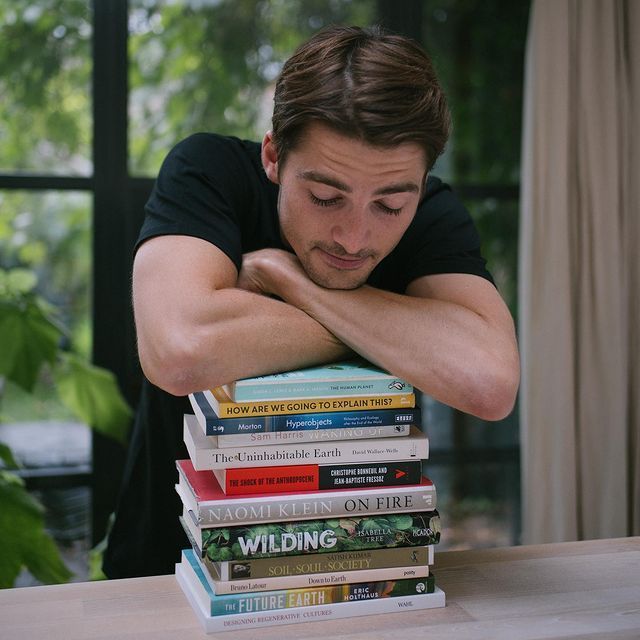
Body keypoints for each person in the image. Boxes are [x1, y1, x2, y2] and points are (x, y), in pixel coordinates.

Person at [103, 25, 520, 579]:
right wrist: (401, 331)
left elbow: (489, 383)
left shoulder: (434, 214)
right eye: (326, 197)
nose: (353, 236)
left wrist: (288, 280)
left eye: (390, 206)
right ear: (274, 157)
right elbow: (180, 351)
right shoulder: (208, 170)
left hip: (370, 569)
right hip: (168, 571)